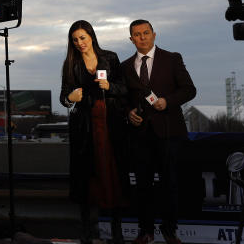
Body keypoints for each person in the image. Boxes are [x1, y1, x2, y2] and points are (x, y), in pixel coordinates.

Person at [120, 20, 196, 244]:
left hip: (169, 131)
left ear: (154, 34)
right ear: (131, 39)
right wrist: (128, 112)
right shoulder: (124, 67)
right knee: (142, 185)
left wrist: (168, 101)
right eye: (137, 34)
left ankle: (170, 230)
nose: (142, 37)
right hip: (140, 134)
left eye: (146, 33)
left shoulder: (172, 58)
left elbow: (189, 89)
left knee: (169, 183)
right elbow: (122, 99)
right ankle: (145, 231)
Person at [60, 21, 128, 244]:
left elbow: (124, 89)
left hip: (110, 126)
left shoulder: (110, 57)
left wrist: (109, 87)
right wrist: (70, 98)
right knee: (86, 179)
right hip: (84, 129)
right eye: (75, 39)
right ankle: (87, 233)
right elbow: (63, 97)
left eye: (83, 37)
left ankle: (117, 232)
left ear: (91, 36)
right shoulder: (71, 63)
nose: (79, 43)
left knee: (113, 176)